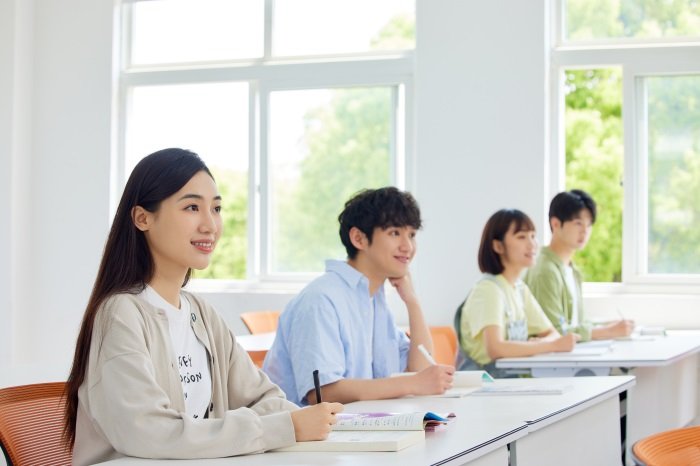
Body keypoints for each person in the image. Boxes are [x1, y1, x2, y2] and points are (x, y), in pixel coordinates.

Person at [63, 148, 342, 466]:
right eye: (192, 207)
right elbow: (150, 433)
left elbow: (265, 398)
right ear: (142, 218)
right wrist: (282, 428)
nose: (211, 225)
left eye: (217, 208)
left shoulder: (202, 313)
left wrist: (297, 423)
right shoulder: (121, 314)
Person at [263, 187, 455, 406]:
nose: (408, 246)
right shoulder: (321, 299)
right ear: (358, 238)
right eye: (395, 233)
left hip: (355, 430)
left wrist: (413, 302)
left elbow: (420, 371)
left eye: (412, 234)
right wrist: (411, 384)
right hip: (307, 436)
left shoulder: (374, 301)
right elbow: (322, 393)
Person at [455, 209, 580, 377]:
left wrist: (545, 342)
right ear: (498, 246)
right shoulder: (488, 289)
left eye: (533, 236)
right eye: (521, 237)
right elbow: (496, 348)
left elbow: (552, 334)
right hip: (485, 389)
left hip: (510, 384)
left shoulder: (520, 289)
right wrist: (550, 346)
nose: (532, 244)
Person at [524, 190, 634, 340]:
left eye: (589, 225)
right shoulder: (545, 270)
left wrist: (606, 325)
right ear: (555, 224)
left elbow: (577, 323)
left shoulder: (572, 270)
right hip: (552, 360)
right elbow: (554, 332)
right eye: (578, 223)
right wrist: (609, 331)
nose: (585, 231)